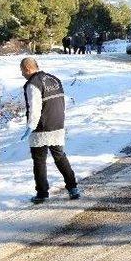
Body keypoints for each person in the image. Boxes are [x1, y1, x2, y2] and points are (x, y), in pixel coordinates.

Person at [19, 57, 80, 204]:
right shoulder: (54, 79)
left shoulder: (33, 84)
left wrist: (30, 127)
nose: (22, 74)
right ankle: (73, 188)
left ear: (27, 69)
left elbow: (35, 107)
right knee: (60, 157)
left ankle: (42, 193)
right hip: (57, 124)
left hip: (41, 127)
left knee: (39, 160)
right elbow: (61, 101)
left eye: (22, 71)